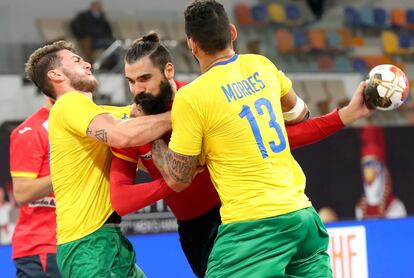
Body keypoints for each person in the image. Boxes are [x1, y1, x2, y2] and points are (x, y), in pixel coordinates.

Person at [109, 31, 373, 277]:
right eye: (130, 82)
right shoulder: (130, 128)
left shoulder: (201, 97)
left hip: (236, 219)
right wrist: (174, 178)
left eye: (144, 79)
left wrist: (342, 116)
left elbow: (284, 136)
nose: (137, 91)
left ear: (168, 70)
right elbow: (121, 200)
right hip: (194, 231)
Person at [24, 40, 171, 277]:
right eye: (76, 60)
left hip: (107, 240)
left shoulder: (100, 114)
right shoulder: (69, 104)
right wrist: (182, 113)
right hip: (87, 245)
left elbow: (136, 125)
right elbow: (122, 134)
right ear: (55, 74)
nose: (88, 64)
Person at [9, 97, 61, 277]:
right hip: (44, 248)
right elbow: (22, 192)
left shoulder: (84, 126)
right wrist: (69, 172)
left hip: (78, 244)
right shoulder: (32, 130)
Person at [355, 125, 406, 219]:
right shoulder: (360, 207)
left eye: (372, 164)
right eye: (365, 165)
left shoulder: (395, 206)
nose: (368, 170)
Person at [70, 1, 115, 68]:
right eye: (98, 7)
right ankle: (113, 64)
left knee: (114, 43)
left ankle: (113, 64)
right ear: (92, 7)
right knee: (110, 44)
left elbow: (108, 30)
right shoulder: (83, 16)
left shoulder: (102, 17)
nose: (100, 8)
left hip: (104, 39)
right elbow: (77, 28)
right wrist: (84, 36)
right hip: (92, 41)